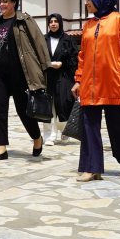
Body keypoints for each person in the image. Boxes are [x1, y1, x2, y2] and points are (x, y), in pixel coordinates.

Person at [71, 0, 120, 182]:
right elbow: (83, 56)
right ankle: (92, 168)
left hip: (114, 82)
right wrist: (78, 80)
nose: (86, 3)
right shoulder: (88, 25)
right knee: (89, 126)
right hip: (90, 86)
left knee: (117, 126)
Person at [0, 0, 49, 161]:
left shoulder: (24, 20)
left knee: (23, 110)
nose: (2, 5)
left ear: (13, 2)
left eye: (5, 1)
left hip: (20, 73)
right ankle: (1, 147)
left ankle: (36, 137)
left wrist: (45, 67)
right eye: (0, 2)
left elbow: (39, 42)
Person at [43, 13, 78, 145]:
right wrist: (48, 64)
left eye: (55, 21)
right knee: (48, 108)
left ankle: (64, 131)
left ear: (60, 23)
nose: (53, 23)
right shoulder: (43, 39)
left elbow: (74, 58)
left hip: (64, 76)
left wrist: (62, 64)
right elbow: (37, 56)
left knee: (64, 104)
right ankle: (49, 136)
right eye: (50, 21)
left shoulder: (68, 39)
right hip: (47, 76)